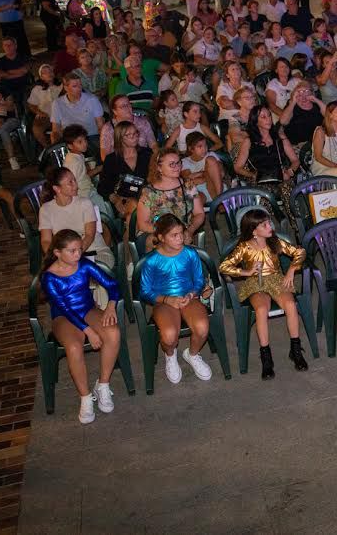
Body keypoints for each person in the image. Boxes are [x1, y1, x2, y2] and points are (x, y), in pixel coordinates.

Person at [40, 229, 122, 424]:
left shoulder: (84, 265)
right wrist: (88, 331)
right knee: (74, 347)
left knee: (113, 332)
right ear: (57, 253)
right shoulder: (49, 278)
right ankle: (85, 398)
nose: (78, 254)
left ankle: (102, 384)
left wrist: (111, 305)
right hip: (64, 317)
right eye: (72, 251)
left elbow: (112, 284)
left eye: (79, 249)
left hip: (86, 309)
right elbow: (64, 308)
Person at [217, 208, 309, 379]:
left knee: (290, 305)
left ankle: (296, 349)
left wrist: (291, 270)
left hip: (275, 279)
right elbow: (224, 266)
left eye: (269, 222)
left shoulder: (275, 242)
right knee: (261, 310)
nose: (270, 226)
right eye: (265, 225)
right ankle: (266, 356)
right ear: (254, 231)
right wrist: (247, 272)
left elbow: (300, 252)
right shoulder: (244, 247)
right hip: (255, 283)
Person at [137, 214, 214, 384]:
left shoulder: (190, 254)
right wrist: (166, 299)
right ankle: (170, 355)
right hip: (164, 301)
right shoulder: (152, 261)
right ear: (161, 238)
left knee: (202, 328)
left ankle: (192, 354)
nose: (180, 238)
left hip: (188, 297)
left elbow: (199, 280)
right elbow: (144, 291)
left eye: (181, 233)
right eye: (174, 235)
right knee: (170, 335)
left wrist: (192, 293)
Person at [137, 148, 207, 242]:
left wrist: (190, 230)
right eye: (172, 164)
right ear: (159, 168)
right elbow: (143, 224)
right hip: (157, 235)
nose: (177, 167)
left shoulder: (188, 185)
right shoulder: (149, 192)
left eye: (178, 162)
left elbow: (199, 213)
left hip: (183, 233)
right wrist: (168, 234)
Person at [98, 121, 151, 222]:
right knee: (133, 207)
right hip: (123, 200)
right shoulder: (112, 160)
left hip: (147, 197)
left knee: (137, 207)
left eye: (135, 133)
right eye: (129, 135)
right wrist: (116, 200)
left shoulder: (147, 154)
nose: (134, 137)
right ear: (120, 138)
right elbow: (103, 186)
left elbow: (155, 177)